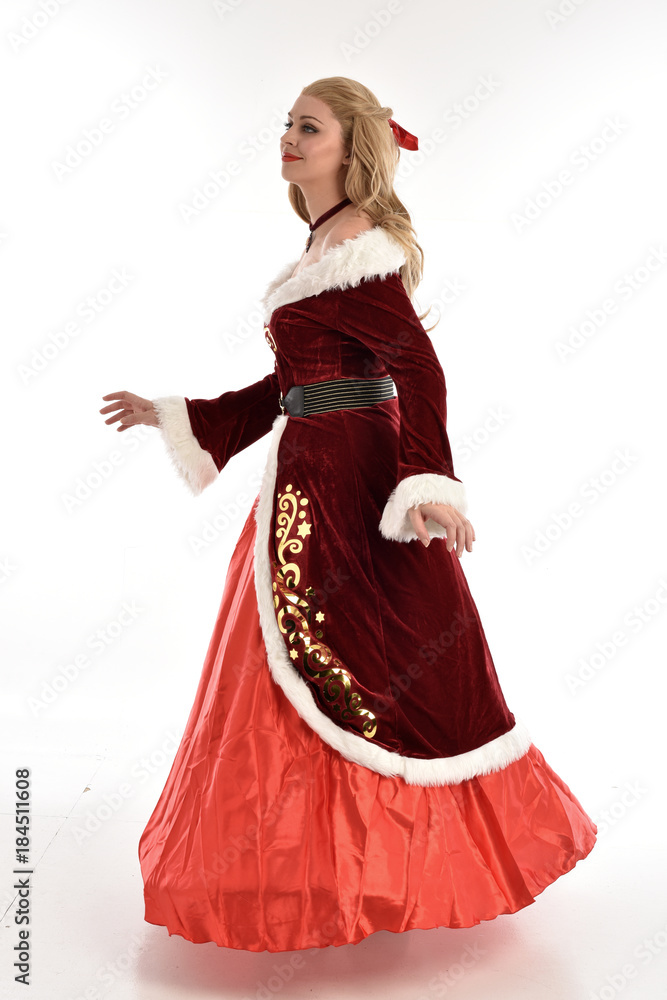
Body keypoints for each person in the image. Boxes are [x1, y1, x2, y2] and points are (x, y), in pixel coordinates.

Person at [100, 76, 596, 954]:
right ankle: (324, 867)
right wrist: (182, 414)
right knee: (298, 663)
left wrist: (428, 485)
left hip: (353, 483)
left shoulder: (359, 245)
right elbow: (289, 388)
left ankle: (381, 870)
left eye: (309, 126)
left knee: (377, 662)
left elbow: (418, 367)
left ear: (348, 147)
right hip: (307, 481)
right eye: (286, 124)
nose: (288, 138)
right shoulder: (319, 243)